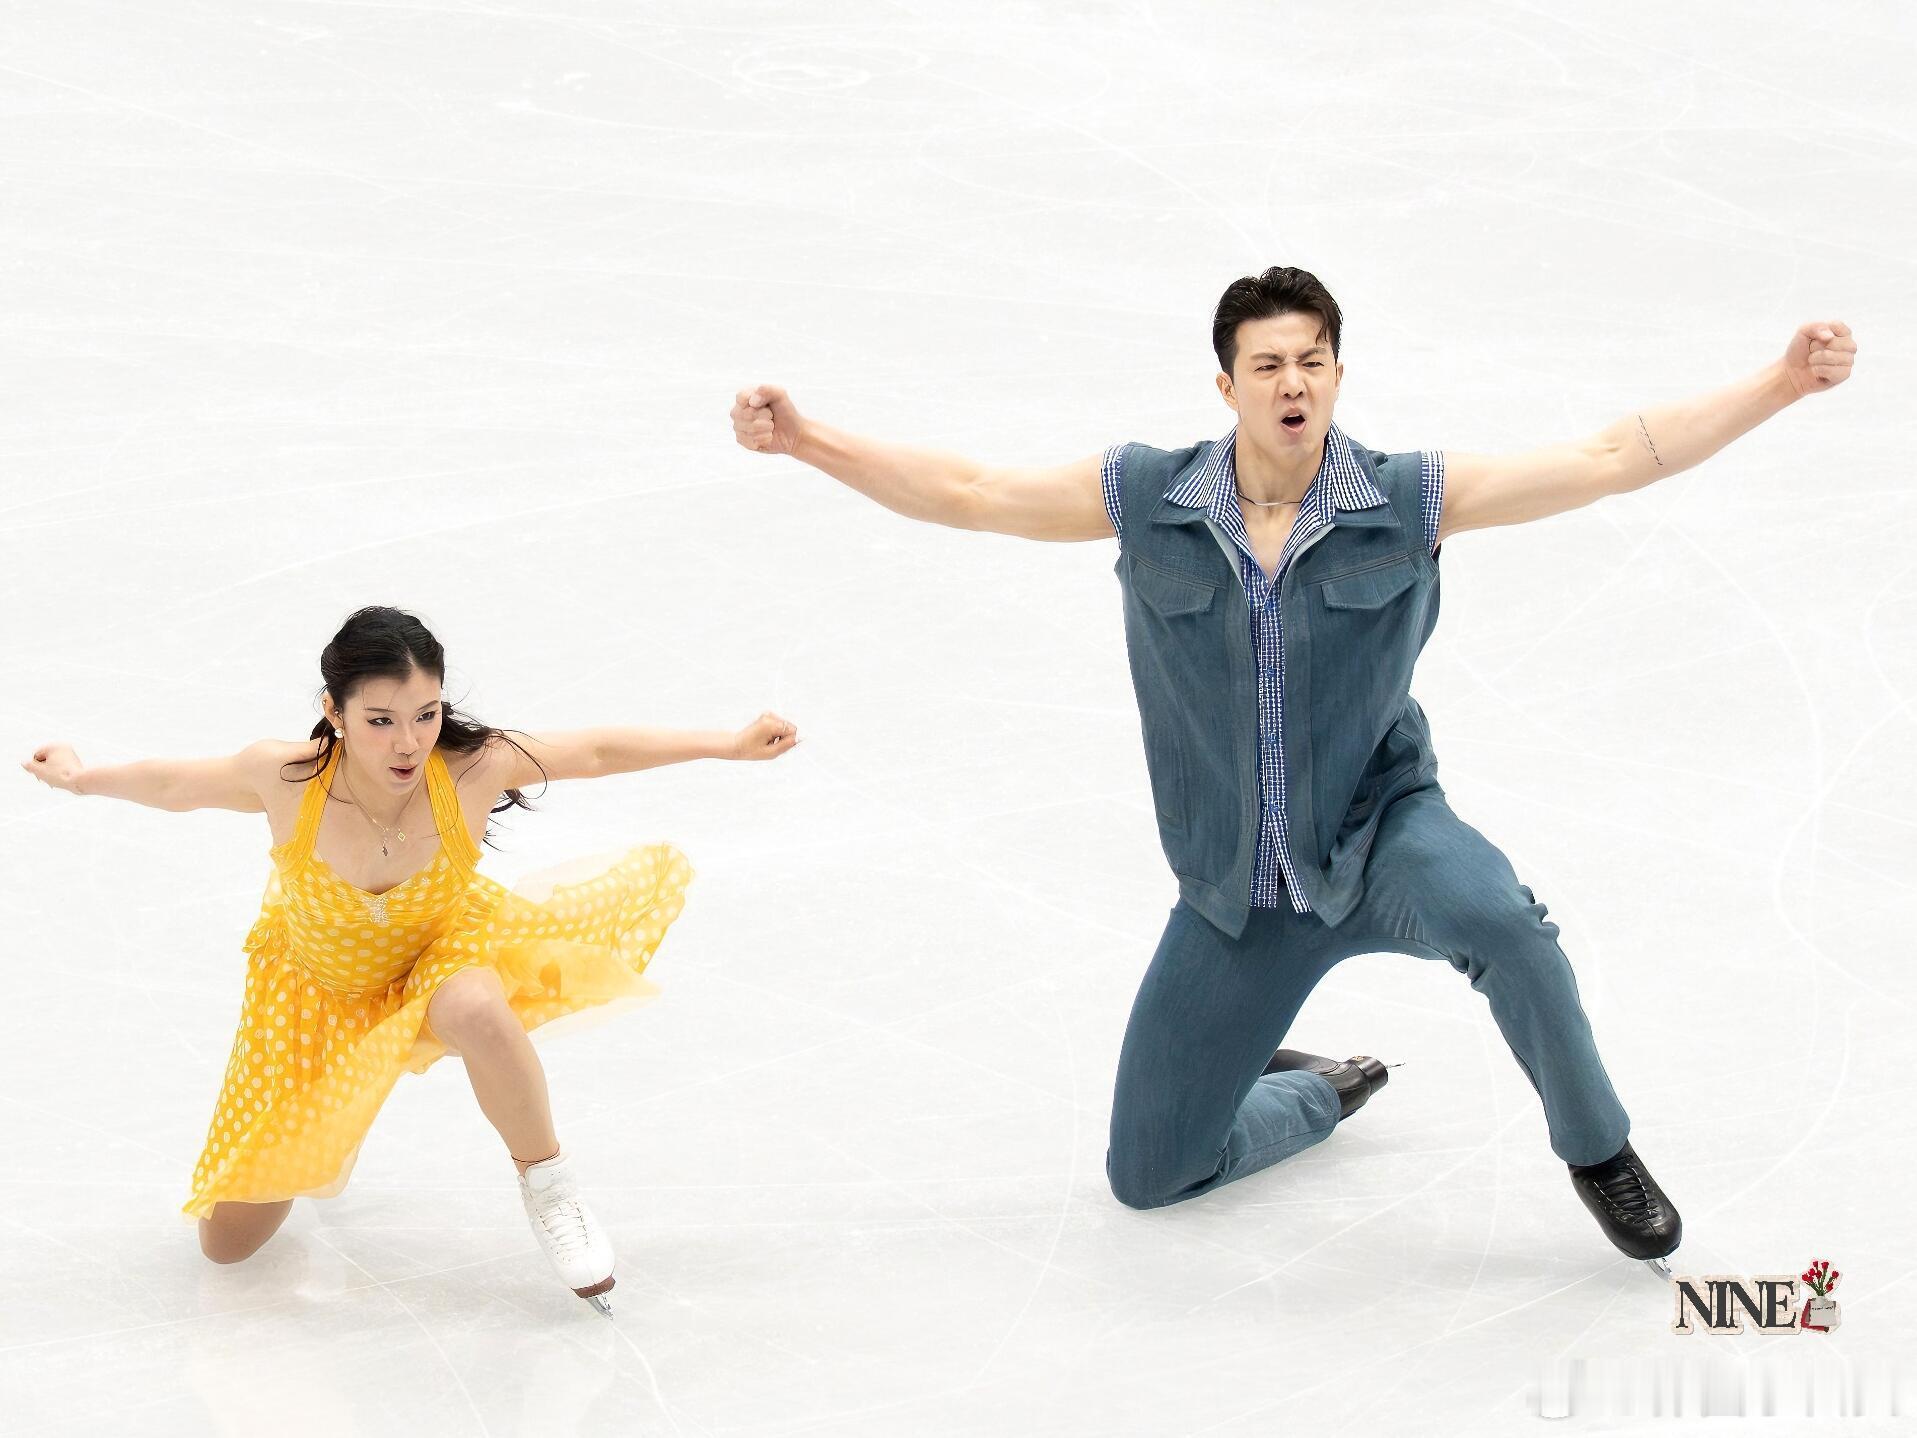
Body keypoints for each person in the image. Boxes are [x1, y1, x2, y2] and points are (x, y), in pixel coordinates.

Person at [728, 267, 1857, 1275]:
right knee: (1150, 1173)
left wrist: (1780, 383)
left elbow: (1609, 459)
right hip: (1236, 888)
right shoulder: (1147, 497)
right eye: (1267, 365)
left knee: (1507, 925)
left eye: (1311, 361)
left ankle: (1600, 1150)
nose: (1292, 383)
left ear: (1337, 375)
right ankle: (1317, 1086)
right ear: (1227, 386)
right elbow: (971, 492)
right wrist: (806, 440)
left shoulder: (1407, 498)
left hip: (1382, 839)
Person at [20, 604, 800, 1314]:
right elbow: (170, 784)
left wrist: (728, 745)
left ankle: (550, 1187)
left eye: (425, 714)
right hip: (315, 998)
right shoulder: (285, 777)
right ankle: (332, 1121)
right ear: (334, 712)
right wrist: (80, 777)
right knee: (227, 1245)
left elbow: (593, 751)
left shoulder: (473, 767)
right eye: (381, 720)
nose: (407, 741)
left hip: (438, 956)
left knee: (475, 1008)